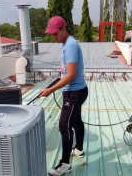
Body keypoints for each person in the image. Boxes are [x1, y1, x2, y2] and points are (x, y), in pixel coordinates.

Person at [39, 16, 88, 176]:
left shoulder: (71, 45)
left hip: (75, 92)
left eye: (55, 33)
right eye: (51, 34)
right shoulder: (66, 44)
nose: (53, 37)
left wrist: (51, 90)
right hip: (73, 90)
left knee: (64, 126)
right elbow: (65, 73)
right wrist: (51, 86)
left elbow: (71, 75)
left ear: (63, 29)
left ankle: (65, 164)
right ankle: (79, 149)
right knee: (76, 121)